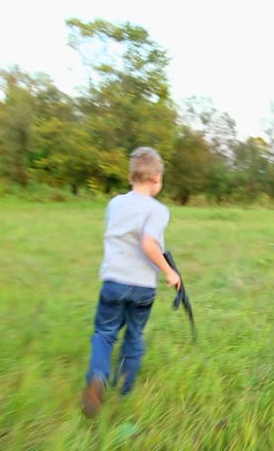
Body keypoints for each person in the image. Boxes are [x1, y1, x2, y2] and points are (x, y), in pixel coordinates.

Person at [81, 147, 181, 419]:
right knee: (134, 334)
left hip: (113, 281)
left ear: (130, 176)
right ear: (157, 178)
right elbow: (149, 243)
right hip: (142, 287)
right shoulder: (158, 210)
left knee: (105, 333)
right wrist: (170, 272)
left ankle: (98, 377)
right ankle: (124, 390)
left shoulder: (115, 204)